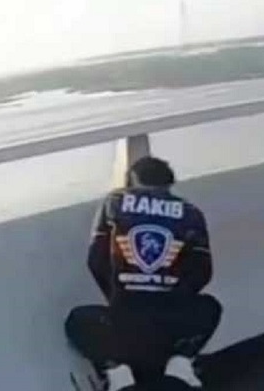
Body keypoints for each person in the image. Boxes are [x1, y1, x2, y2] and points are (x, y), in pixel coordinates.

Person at [65, 156, 222, 391]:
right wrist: (173, 298)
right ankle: (180, 363)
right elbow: (202, 271)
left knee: (78, 320)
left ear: (132, 179)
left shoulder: (114, 202)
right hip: (171, 321)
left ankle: (117, 371)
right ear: (168, 183)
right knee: (209, 306)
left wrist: (118, 297)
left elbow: (96, 261)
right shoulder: (191, 212)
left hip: (124, 318)